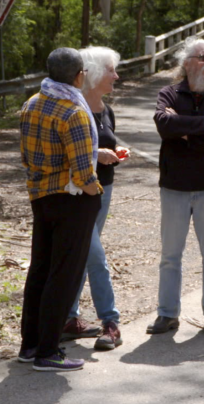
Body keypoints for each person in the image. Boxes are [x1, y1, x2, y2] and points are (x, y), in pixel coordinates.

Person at [17, 47, 103, 372]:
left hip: (41, 196)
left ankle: (31, 345)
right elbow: (83, 174)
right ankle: (49, 351)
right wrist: (97, 190)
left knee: (40, 270)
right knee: (63, 275)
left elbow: (26, 157)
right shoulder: (73, 111)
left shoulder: (31, 104)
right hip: (72, 201)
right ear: (78, 75)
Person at [149, 37, 204, 335]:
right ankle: (167, 314)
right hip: (174, 187)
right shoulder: (169, 93)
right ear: (186, 62)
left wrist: (184, 131)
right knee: (170, 256)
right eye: (203, 57)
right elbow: (164, 125)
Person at [61, 46, 131, 351]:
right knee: (96, 257)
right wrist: (94, 155)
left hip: (105, 189)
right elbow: (65, 152)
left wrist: (113, 155)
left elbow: (106, 143)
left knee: (85, 254)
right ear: (95, 74)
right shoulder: (73, 109)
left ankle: (69, 318)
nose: (116, 75)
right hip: (78, 191)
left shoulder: (106, 109)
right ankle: (110, 322)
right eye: (111, 70)